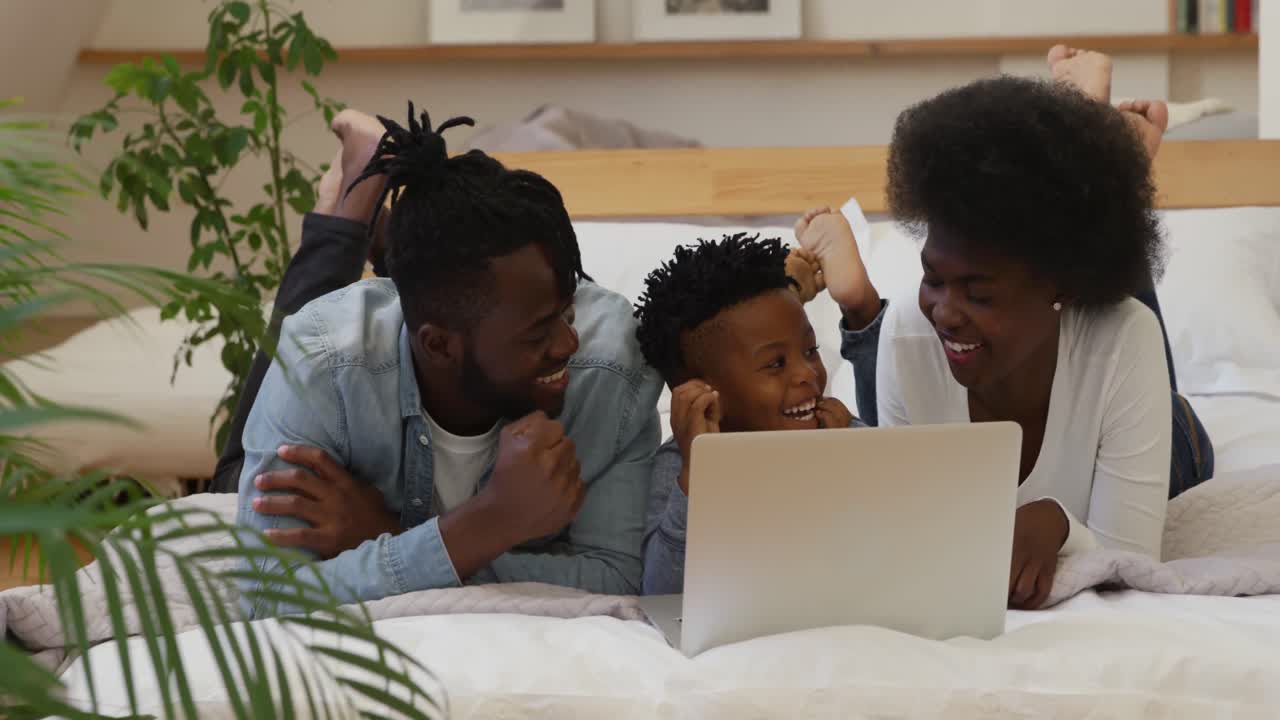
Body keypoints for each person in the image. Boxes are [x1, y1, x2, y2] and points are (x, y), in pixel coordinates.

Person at [796, 49, 1214, 611]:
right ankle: (1094, 152)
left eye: (980, 292)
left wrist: (1060, 523)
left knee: (1153, 389)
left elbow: (1134, 559)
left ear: (1058, 285)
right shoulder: (905, 332)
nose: (944, 311)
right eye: (932, 278)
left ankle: (1107, 158)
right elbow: (909, 529)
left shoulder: (1124, 340)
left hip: (1171, 431)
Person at [231, 104, 662, 617]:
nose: (568, 343)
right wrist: (490, 523)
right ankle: (345, 209)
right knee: (227, 473)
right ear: (438, 345)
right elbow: (263, 599)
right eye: (537, 332)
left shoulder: (611, 370)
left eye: (566, 311)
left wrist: (401, 535)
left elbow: (618, 578)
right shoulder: (323, 363)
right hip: (361, 351)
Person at [633, 233, 860, 595]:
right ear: (702, 393)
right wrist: (699, 475)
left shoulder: (838, 431)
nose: (808, 373)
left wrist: (856, 452)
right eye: (776, 363)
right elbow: (663, 592)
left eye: (811, 350)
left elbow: (905, 532)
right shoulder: (679, 467)